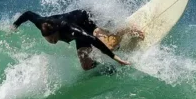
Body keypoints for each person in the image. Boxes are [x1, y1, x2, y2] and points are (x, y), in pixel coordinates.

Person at [12, 9, 142, 70]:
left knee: (108, 45)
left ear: (57, 31)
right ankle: (106, 68)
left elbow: (92, 40)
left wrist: (115, 57)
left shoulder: (71, 30)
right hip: (77, 27)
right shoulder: (41, 23)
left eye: (52, 38)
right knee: (85, 66)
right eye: (48, 39)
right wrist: (14, 26)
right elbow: (28, 14)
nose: (51, 41)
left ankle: (126, 30)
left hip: (86, 19)